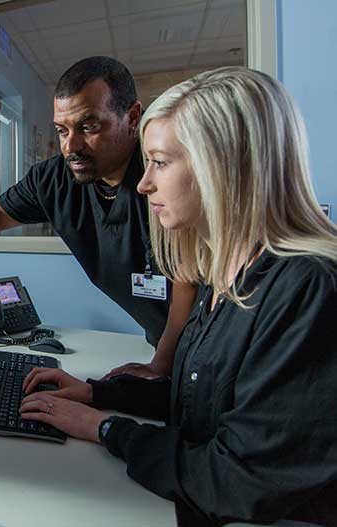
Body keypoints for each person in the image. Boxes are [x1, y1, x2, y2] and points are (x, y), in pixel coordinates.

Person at [19, 67, 337, 525]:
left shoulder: (307, 289)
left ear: (224, 167)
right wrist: (97, 393)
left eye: (161, 163)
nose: (144, 184)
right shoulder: (222, 274)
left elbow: (235, 477)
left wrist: (107, 430)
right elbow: (203, 399)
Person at [0, 56, 196, 379]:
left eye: (89, 126)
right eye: (62, 131)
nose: (71, 146)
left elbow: (187, 275)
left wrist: (163, 364)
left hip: (201, 341)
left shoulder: (158, 175)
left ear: (132, 117)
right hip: (162, 345)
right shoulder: (54, 179)